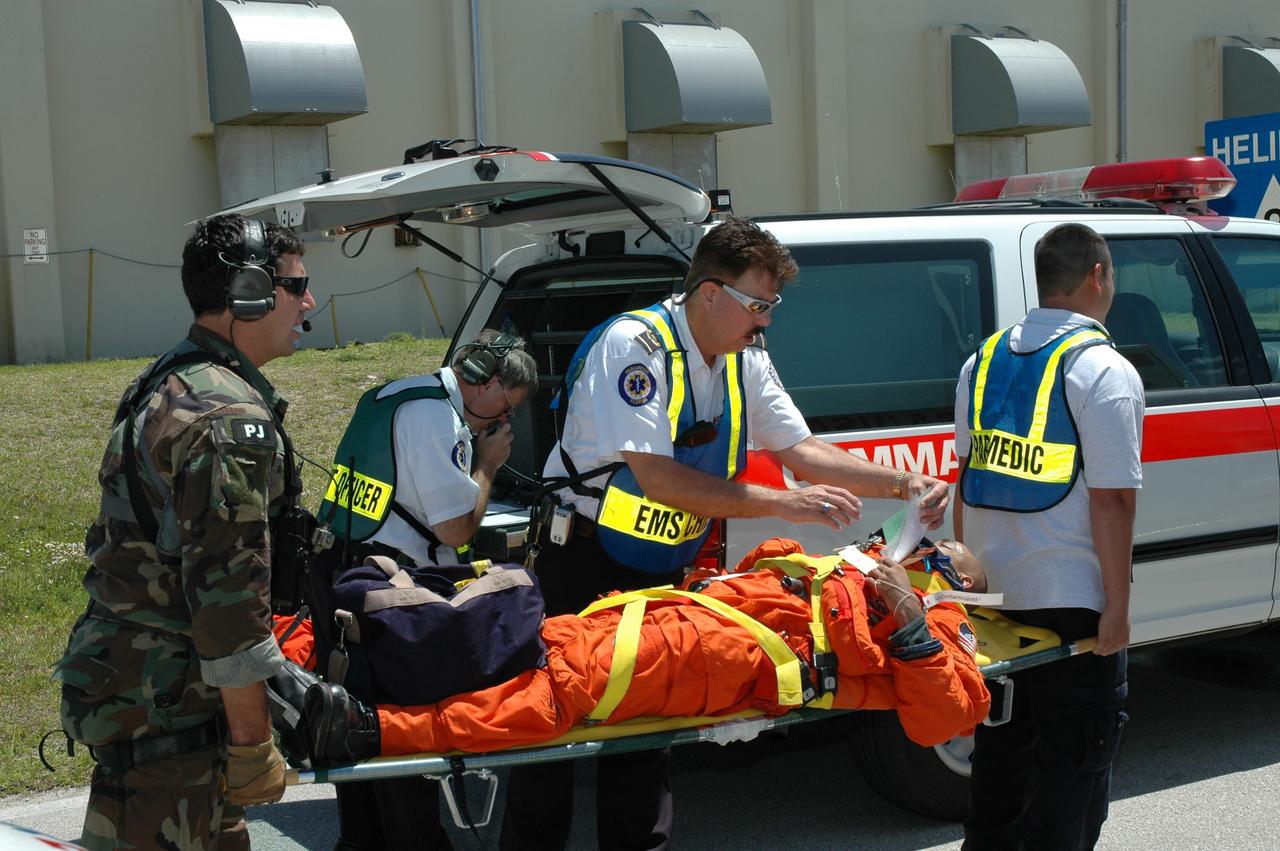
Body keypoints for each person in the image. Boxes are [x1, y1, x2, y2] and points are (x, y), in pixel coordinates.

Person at [504, 216, 952, 850]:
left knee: (647, 730)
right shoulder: (637, 347)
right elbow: (659, 478)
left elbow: (803, 450)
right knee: (548, 724)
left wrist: (905, 485)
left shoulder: (747, 357)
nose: (766, 320)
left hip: (657, 566)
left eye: (772, 306)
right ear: (709, 293)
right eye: (757, 304)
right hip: (582, 559)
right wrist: (785, 504)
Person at [52, 214, 317, 850]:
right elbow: (227, 606)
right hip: (174, 713)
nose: (308, 301)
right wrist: (254, 744)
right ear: (249, 293)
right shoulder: (225, 418)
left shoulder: (177, 378)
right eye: (296, 284)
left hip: (152, 698)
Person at [299, 538, 991, 763]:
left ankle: (371, 728)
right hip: (676, 620)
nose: (927, 555)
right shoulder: (863, 564)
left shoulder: (939, 623)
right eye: (931, 547)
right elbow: (759, 565)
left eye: (945, 561)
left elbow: (941, 719)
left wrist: (909, 613)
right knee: (527, 637)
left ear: (957, 584)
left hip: (722, 660)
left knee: (550, 699)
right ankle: (312, 646)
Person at [954, 223, 1142, 850]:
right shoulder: (1102, 369)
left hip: (996, 600)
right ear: (1097, 276)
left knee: (1002, 759)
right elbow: (1113, 500)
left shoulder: (980, 360)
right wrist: (1116, 607)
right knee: (1073, 774)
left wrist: (968, 583)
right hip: (1074, 607)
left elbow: (967, 477)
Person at [316, 329, 537, 851]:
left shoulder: (395, 395)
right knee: (403, 729)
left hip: (343, 574)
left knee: (356, 723)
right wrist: (488, 466)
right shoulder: (436, 417)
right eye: (507, 409)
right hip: (388, 590)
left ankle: (363, 841)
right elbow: (456, 531)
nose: (504, 422)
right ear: (487, 381)